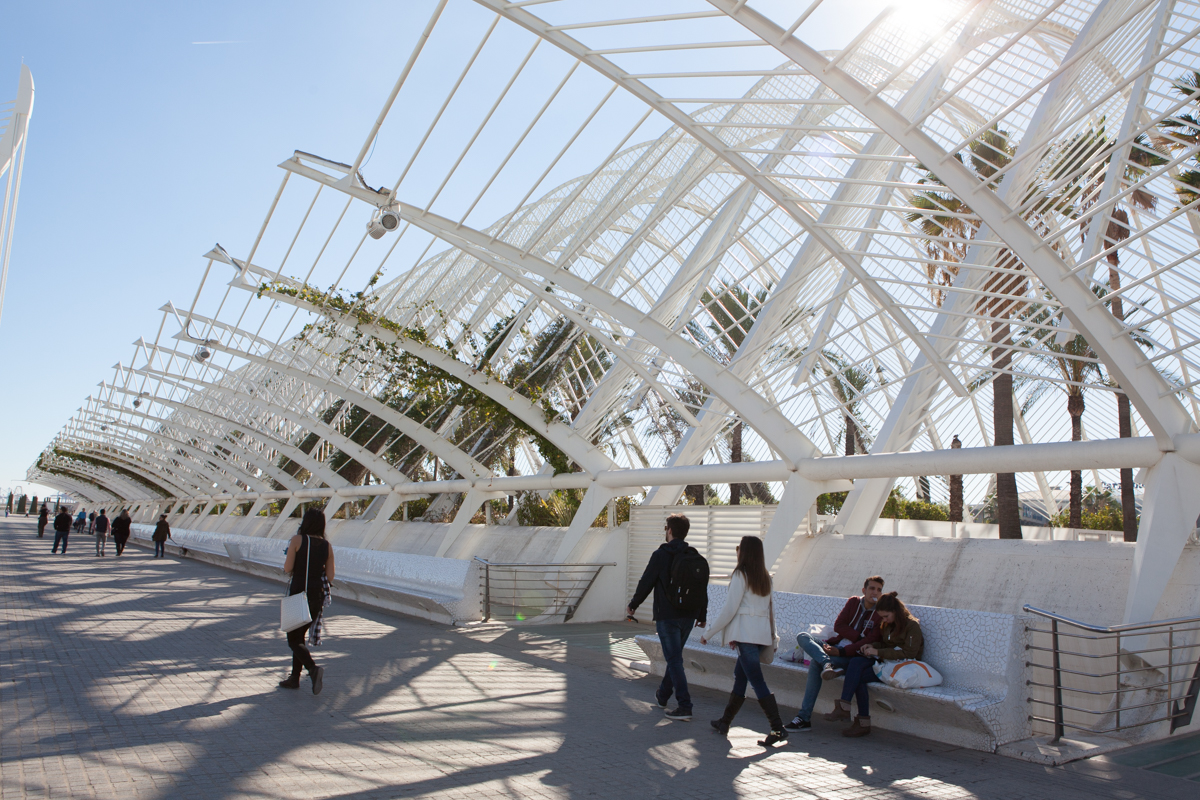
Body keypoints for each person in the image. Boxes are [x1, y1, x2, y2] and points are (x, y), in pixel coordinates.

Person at [702, 536, 787, 747]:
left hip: (746, 637)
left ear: (745, 552)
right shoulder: (765, 577)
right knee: (741, 678)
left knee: (757, 682)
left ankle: (778, 728)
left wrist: (709, 633)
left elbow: (730, 609)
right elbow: (770, 611)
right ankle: (725, 721)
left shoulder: (740, 574)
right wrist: (772, 637)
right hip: (758, 637)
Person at [627, 513, 708, 721]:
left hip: (667, 615)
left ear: (670, 530)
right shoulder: (693, 555)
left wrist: (633, 605)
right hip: (689, 616)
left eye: (666, 528)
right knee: (675, 659)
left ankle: (685, 705)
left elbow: (647, 581)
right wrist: (702, 614)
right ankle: (662, 696)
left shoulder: (660, 555)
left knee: (674, 660)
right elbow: (701, 588)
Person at [785, 575, 884, 732]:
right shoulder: (853, 602)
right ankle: (827, 663)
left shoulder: (880, 613)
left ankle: (804, 717)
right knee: (803, 636)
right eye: (872, 588)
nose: (875, 592)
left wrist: (843, 650)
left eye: (879, 590)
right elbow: (839, 625)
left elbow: (869, 641)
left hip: (851, 656)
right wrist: (853, 639)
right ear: (864, 590)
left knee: (815, 666)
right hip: (835, 646)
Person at [826, 592, 924, 738]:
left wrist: (878, 651)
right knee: (856, 663)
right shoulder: (888, 625)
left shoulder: (911, 626)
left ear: (895, 612)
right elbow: (885, 643)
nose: (884, 620)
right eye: (882, 617)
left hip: (902, 669)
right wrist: (870, 645)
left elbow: (909, 653)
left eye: (886, 616)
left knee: (857, 675)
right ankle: (846, 709)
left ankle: (856, 718)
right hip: (886, 663)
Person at [279, 507, 334, 695]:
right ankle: (294, 678)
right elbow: (331, 575)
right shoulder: (327, 545)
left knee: (293, 639)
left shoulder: (297, 540)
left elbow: (287, 568)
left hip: (298, 594)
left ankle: (313, 668)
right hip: (316, 596)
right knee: (299, 637)